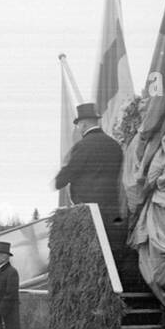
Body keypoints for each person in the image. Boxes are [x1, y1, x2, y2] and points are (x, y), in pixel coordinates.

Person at [54, 101, 128, 253]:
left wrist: (58, 179)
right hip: (114, 213)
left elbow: (63, 179)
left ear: (84, 125)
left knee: (93, 257)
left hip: (89, 215)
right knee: (113, 256)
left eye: (79, 125)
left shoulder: (82, 146)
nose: (78, 128)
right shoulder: (115, 145)